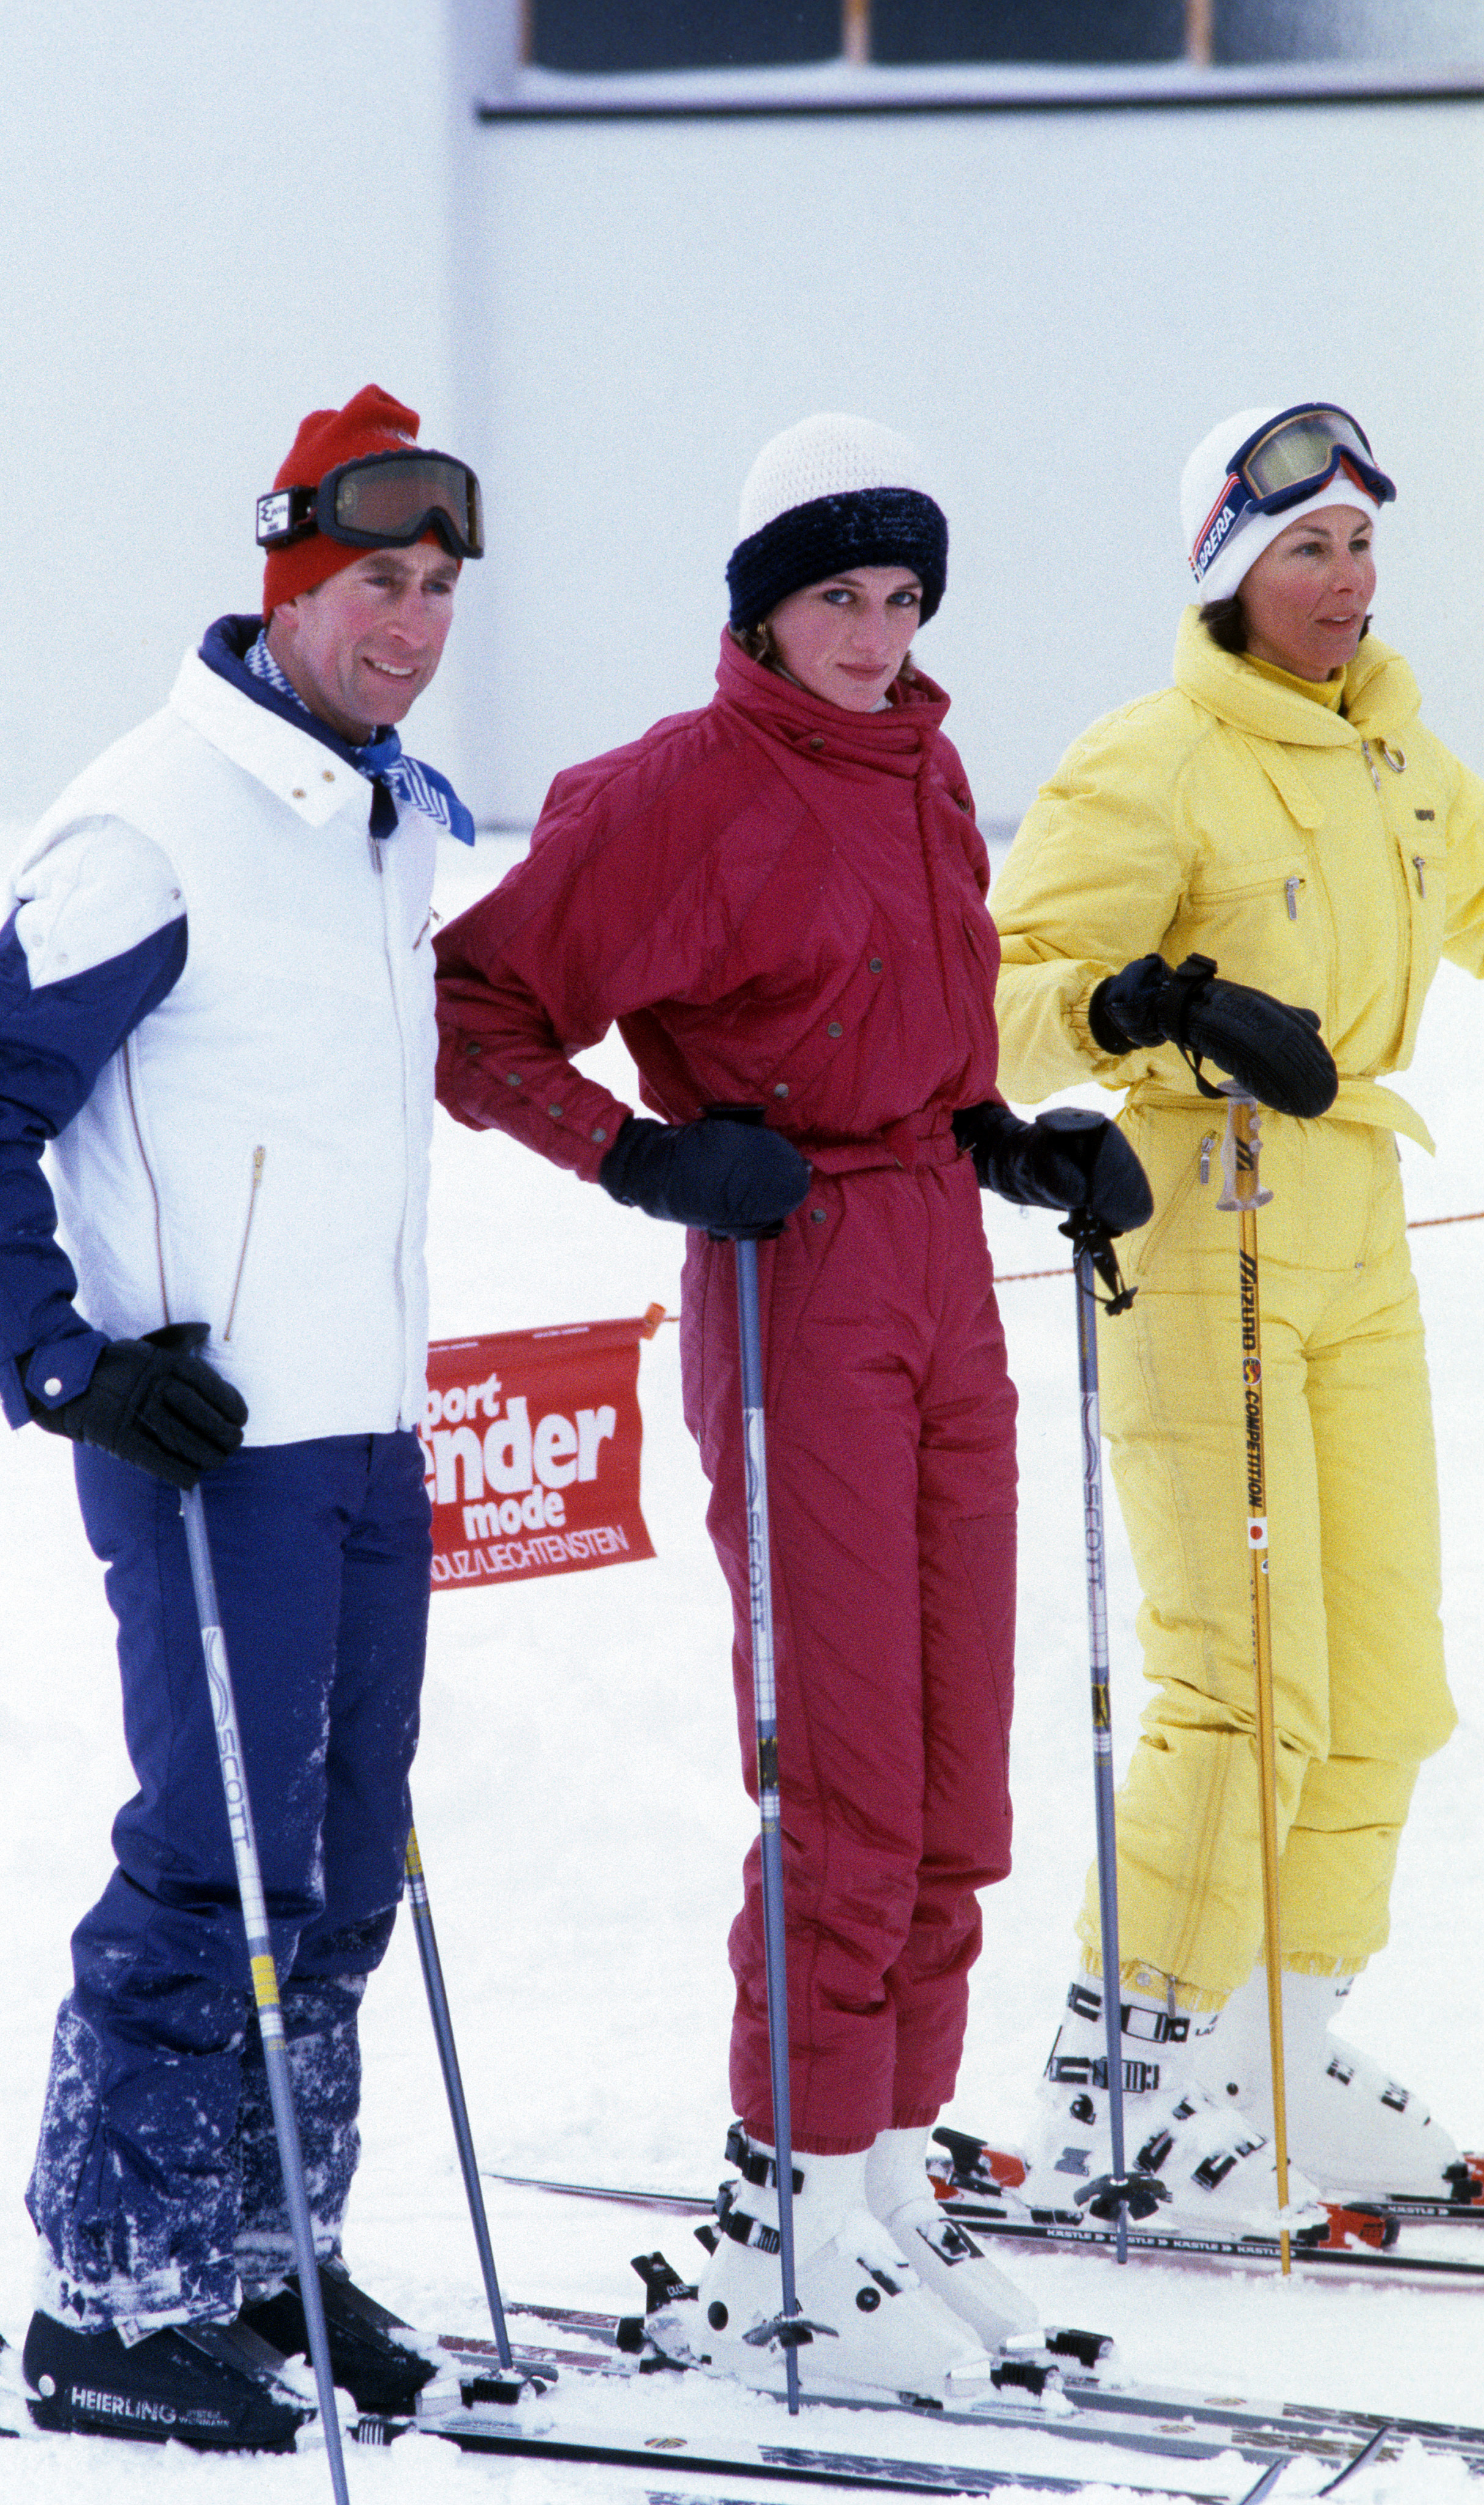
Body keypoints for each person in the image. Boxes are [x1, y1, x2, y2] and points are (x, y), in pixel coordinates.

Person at [432, 413, 1150, 2399]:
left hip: (933, 1255)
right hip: (794, 1273)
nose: (872, 630)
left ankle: (885, 2184)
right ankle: (789, 2215)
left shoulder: (921, 766)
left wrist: (1003, 1132)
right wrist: (637, 1155)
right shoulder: (674, 792)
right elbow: (473, 1008)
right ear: (761, 602)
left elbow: (913, 1021)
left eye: (901, 596)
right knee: (842, 1770)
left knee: (954, 1778)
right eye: (837, 594)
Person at [0, 384, 483, 2449]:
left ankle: (255, 2250)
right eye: (371, 584)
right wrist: (69, 1364)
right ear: (288, 588)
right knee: (213, 1859)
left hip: (366, 1428)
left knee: (340, 1858)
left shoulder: (386, 815)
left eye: (435, 588)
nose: (409, 623)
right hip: (208, 1434)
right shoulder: (156, 821)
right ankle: (111, 2293)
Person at [990, 402, 1484, 2230]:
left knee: (1390, 1688)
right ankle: (1126, 2078)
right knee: (1241, 1686)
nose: (1343, 583)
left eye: (1359, 545)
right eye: (1303, 551)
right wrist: (1156, 1002)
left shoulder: (1402, 759)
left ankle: (1272, 2045)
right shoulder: (1154, 761)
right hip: (1205, 1222)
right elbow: (998, 998)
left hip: (1354, 1216)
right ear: (1224, 568)